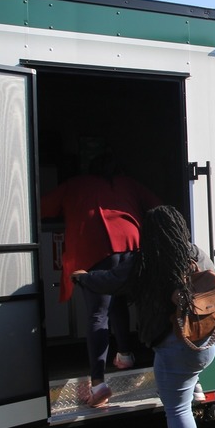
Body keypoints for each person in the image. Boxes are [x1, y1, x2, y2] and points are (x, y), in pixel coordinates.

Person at [73, 205, 215, 428]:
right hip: (212, 338)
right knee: (185, 379)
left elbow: (108, 282)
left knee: (177, 408)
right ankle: (195, 385)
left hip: (178, 347)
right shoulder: (197, 253)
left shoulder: (144, 262)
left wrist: (82, 277)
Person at [41, 153, 160, 407]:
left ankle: (99, 384)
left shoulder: (75, 184)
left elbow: (42, 207)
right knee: (118, 299)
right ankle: (126, 354)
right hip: (131, 245)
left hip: (93, 248)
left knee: (98, 313)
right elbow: (157, 206)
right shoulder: (128, 184)